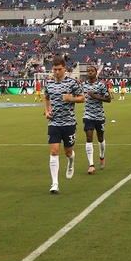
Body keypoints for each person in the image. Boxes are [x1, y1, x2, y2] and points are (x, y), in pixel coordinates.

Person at [43, 56, 85, 193]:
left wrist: (70, 98)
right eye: (54, 69)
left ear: (64, 69)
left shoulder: (72, 83)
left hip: (69, 122)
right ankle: (54, 184)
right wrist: (47, 111)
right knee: (54, 151)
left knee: (68, 152)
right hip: (54, 123)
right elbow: (46, 97)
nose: (56, 72)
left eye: (59, 69)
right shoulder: (48, 83)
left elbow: (82, 98)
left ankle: (71, 161)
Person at [82, 64, 112, 174]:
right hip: (88, 115)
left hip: (99, 115)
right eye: (88, 71)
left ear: (96, 73)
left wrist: (95, 96)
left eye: (92, 71)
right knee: (89, 138)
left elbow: (108, 99)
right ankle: (91, 165)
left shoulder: (101, 85)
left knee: (100, 138)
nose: (89, 72)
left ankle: (102, 156)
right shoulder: (83, 85)